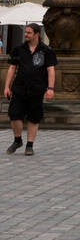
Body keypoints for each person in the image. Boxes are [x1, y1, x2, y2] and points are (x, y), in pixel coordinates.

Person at [4, 23, 56, 155]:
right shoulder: (18, 49)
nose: (26, 35)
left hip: (37, 88)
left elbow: (51, 70)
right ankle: (17, 140)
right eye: (25, 32)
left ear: (37, 34)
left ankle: (29, 145)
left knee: (34, 117)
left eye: (29, 32)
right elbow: (12, 68)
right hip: (19, 88)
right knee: (14, 114)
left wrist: (50, 88)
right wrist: (6, 86)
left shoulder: (46, 51)